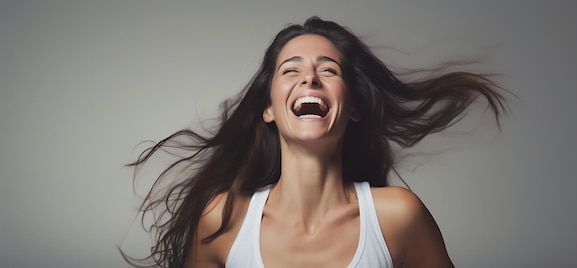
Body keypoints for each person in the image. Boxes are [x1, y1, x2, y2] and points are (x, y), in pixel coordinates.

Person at [122, 16, 507, 268]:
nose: (310, 79)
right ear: (268, 108)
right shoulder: (223, 220)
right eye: (291, 70)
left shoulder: (398, 217)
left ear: (353, 107)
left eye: (328, 69)